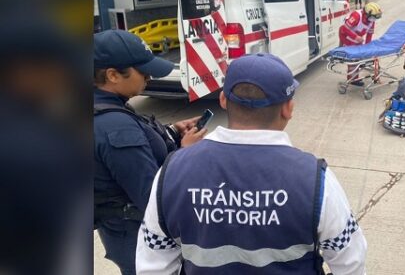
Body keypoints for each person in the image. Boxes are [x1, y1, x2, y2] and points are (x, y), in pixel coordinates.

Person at [135, 53, 367, 274]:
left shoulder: (172, 171)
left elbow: (154, 261)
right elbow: (350, 260)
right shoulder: (316, 180)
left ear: (224, 100)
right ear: (288, 108)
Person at [94, 30, 206, 275]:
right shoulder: (116, 128)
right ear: (112, 75)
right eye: (142, 70)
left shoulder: (104, 106)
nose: (149, 75)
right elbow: (153, 199)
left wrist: (171, 133)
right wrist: (185, 153)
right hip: (138, 240)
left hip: (121, 231)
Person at [338, 2, 383, 85]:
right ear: (366, 14)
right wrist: (355, 37)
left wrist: (367, 49)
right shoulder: (356, 16)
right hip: (345, 35)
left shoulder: (371, 21)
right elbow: (344, 29)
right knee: (354, 57)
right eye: (373, 17)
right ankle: (352, 79)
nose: (374, 20)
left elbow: (369, 36)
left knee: (362, 54)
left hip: (356, 38)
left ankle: (357, 74)